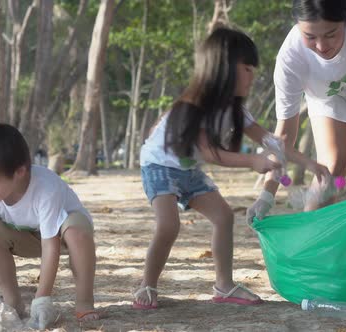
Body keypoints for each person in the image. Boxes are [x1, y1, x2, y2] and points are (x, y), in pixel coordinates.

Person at [133, 27, 330, 310]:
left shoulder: (236, 110)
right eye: (247, 68)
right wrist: (253, 161)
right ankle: (147, 285)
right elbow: (209, 152)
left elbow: (272, 141)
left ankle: (224, 285)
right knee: (168, 225)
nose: (253, 75)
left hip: (188, 170)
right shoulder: (194, 105)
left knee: (224, 216)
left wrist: (309, 163)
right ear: (223, 68)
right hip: (159, 166)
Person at [249, 0, 346, 222]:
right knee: (330, 170)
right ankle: (312, 244)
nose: (321, 46)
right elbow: (284, 138)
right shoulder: (290, 57)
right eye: (310, 37)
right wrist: (267, 195)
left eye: (330, 34)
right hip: (328, 98)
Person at [0, 123, 99, 330]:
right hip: (26, 235)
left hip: (65, 233)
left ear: (19, 172)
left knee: (76, 233)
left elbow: (50, 245)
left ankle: (84, 301)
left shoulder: (46, 186)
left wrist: (42, 298)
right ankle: (13, 303)